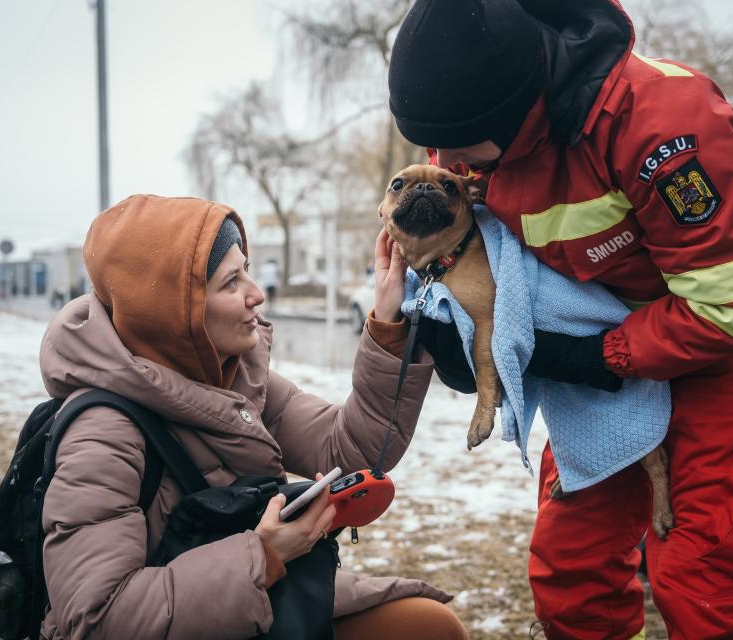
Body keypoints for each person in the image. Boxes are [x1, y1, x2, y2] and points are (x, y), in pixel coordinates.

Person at [388, 1, 733, 638]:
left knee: (703, 579)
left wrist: (599, 358)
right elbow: (489, 264)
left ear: (514, 103)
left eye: (460, 142)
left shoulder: (663, 123)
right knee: (572, 566)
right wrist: (454, 327)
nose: (448, 159)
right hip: (614, 344)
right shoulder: (474, 141)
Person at [37, 194, 467, 639]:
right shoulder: (102, 433)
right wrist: (261, 556)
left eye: (246, 270)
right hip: (218, 611)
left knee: (430, 628)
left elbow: (350, 448)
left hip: (254, 607)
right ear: (173, 311)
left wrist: (387, 319)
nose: (256, 293)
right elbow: (95, 619)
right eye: (230, 282)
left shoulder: (233, 377)